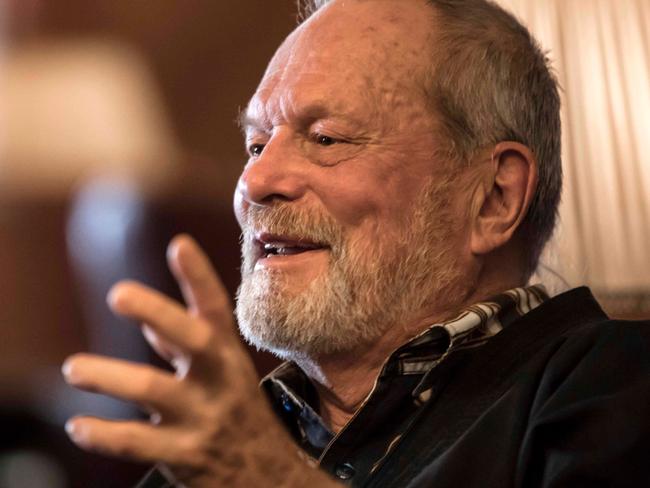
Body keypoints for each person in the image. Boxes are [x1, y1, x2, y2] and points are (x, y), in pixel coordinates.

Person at [62, 0, 650, 486]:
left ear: (493, 198)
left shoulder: (613, 385)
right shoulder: (218, 447)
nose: (255, 183)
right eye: (257, 145)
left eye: (326, 137)